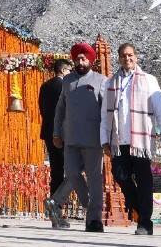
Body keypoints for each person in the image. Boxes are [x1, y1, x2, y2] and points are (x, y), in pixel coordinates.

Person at [100, 43, 161, 236]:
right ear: (119, 58)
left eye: (130, 55)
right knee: (120, 176)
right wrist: (104, 140)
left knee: (144, 181)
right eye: (123, 55)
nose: (127, 58)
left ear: (136, 57)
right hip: (119, 140)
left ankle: (144, 223)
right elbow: (104, 115)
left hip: (141, 142)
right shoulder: (110, 83)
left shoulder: (149, 80)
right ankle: (141, 213)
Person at [47, 43, 107, 232]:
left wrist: (108, 138)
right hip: (70, 139)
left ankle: (94, 220)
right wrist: (56, 132)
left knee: (95, 179)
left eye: (84, 58)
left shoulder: (101, 81)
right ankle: (90, 205)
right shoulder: (67, 81)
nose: (80, 62)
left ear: (91, 60)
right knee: (72, 173)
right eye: (78, 59)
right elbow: (60, 109)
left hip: (93, 139)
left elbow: (107, 113)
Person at [38, 58, 71, 198]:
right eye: (70, 70)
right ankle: (57, 200)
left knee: (56, 170)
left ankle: (54, 203)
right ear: (63, 70)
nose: (71, 73)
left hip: (48, 132)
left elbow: (42, 109)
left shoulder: (45, 86)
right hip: (64, 134)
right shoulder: (66, 86)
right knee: (72, 170)